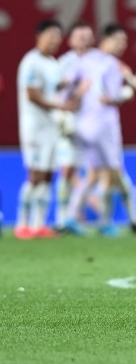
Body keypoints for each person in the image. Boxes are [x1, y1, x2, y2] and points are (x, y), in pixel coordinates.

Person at [63, 24, 136, 237]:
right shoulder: (112, 65)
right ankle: (107, 222)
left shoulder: (85, 60)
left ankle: (69, 217)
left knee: (92, 174)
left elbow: (67, 86)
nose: (123, 46)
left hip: (84, 125)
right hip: (105, 126)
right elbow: (111, 96)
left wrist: (65, 109)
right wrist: (125, 94)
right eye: (121, 40)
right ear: (109, 39)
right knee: (112, 173)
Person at [15, 20, 75, 239]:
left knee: (49, 175)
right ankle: (22, 224)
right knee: (36, 174)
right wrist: (62, 106)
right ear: (39, 36)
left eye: (58, 36)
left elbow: (56, 86)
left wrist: (74, 85)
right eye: (51, 35)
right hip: (35, 127)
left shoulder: (52, 62)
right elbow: (33, 94)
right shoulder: (31, 62)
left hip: (51, 127)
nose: (55, 40)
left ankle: (38, 224)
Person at [55, 21, 94, 231]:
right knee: (68, 169)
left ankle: (73, 216)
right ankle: (63, 219)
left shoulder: (97, 61)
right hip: (69, 121)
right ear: (70, 40)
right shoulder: (64, 63)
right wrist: (77, 89)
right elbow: (57, 90)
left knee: (91, 170)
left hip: (92, 124)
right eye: (79, 36)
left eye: (87, 36)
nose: (83, 40)